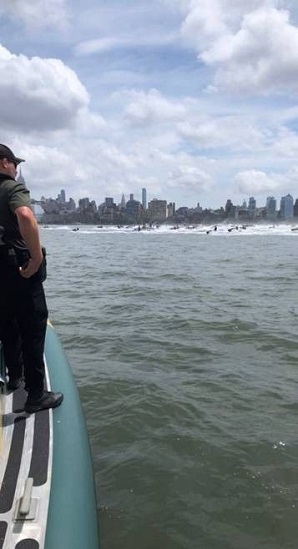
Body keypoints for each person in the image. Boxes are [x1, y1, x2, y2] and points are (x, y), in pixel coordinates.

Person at [0, 144, 63, 413]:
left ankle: (15, 376)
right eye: (15, 163)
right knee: (33, 328)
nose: (16, 168)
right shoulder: (11, 188)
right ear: (4, 163)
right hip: (19, 271)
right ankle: (36, 394)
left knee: (6, 323)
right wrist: (36, 258)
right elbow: (25, 215)